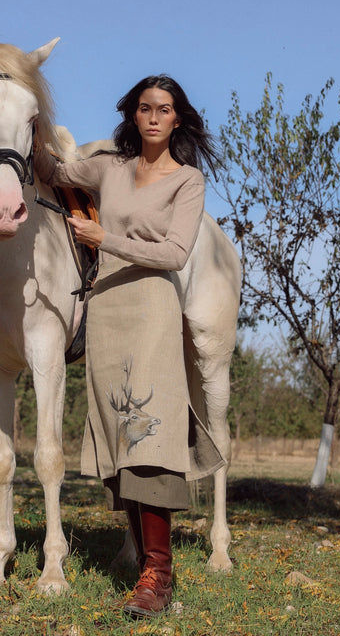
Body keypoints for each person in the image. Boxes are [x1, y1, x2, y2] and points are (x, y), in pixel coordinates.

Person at [34, 75, 225, 618]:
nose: (154, 117)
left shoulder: (187, 181)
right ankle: (144, 558)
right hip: (108, 314)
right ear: (133, 115)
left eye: (165, 109)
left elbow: (174, 253)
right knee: (121, 439)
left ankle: (158, 576)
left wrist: (104, 240)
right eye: (145, 108)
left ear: (178, 119)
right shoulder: (108, 167)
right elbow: (52, 172)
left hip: (152, 311)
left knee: (153, 438)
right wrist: (25, 119)